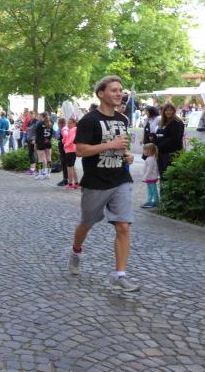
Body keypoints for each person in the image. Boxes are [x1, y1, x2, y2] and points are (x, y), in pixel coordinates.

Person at [67, 76, 139, 292]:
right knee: (87, 223)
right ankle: (76, 250)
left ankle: (120, 275)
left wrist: (127, 155)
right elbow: (81, 150)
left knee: (123, 226)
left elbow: (121, 147)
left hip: (120, 179)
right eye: (114, 90)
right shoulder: (89, 120)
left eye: (120, 90)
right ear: (101, 93)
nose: (119, 93)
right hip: (96, 182)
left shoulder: (123, 119)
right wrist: (110, 145)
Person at [151, 102, 184, 183]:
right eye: (166, 110)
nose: (168, 112)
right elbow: (161, 135)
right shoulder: (164, 122)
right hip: (162, 152)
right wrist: (153, 138)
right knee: (162, 176)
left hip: (171, 153)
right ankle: (163, 190)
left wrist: (158, 146)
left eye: (170, 110)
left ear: (174, 111)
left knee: (169, 176)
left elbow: (174, 139)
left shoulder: (177, 122)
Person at [34, 112, 53, 180]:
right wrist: (48, 139)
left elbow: (37, 135)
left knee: (40, 159)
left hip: (40, 143)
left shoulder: (39, 124)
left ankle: (40, 174)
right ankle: (48, 173)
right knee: (49, 158)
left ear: (42, 116)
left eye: (40, 116)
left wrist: (36, 143)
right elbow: (51, 134)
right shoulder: (50, 123)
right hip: (48, 142)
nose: (39, 117)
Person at [141, 143, 160, 208]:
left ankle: (155, 201)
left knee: (153, 190)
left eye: (144, 150)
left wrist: (145, 177)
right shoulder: (150, 158)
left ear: (149, 151)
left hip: (151, 178)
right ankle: (149, 201)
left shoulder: (150, 159)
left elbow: (149, 169)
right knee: (150, 190)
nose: (143, 151)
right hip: (150, 178)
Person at [62, 117, 79, 189]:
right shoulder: (73, 130)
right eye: (68, 123)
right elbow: (67, 138)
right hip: (72, 150)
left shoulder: (72, 130)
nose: (68, 125)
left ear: (74, 124)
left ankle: (70, 184)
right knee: (72, 166)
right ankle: (76, 183)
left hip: (70, 150)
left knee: (69, 167)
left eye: (70, 123)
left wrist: (65, 145)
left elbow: (72, 139)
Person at [56, 117, 68, 187]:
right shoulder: (65, 128)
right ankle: (66, 179)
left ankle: (65, 179)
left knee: (64, 163)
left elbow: (65, 136)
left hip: (63, 147)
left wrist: (63, 141)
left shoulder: (63, 129)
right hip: (63, 147)